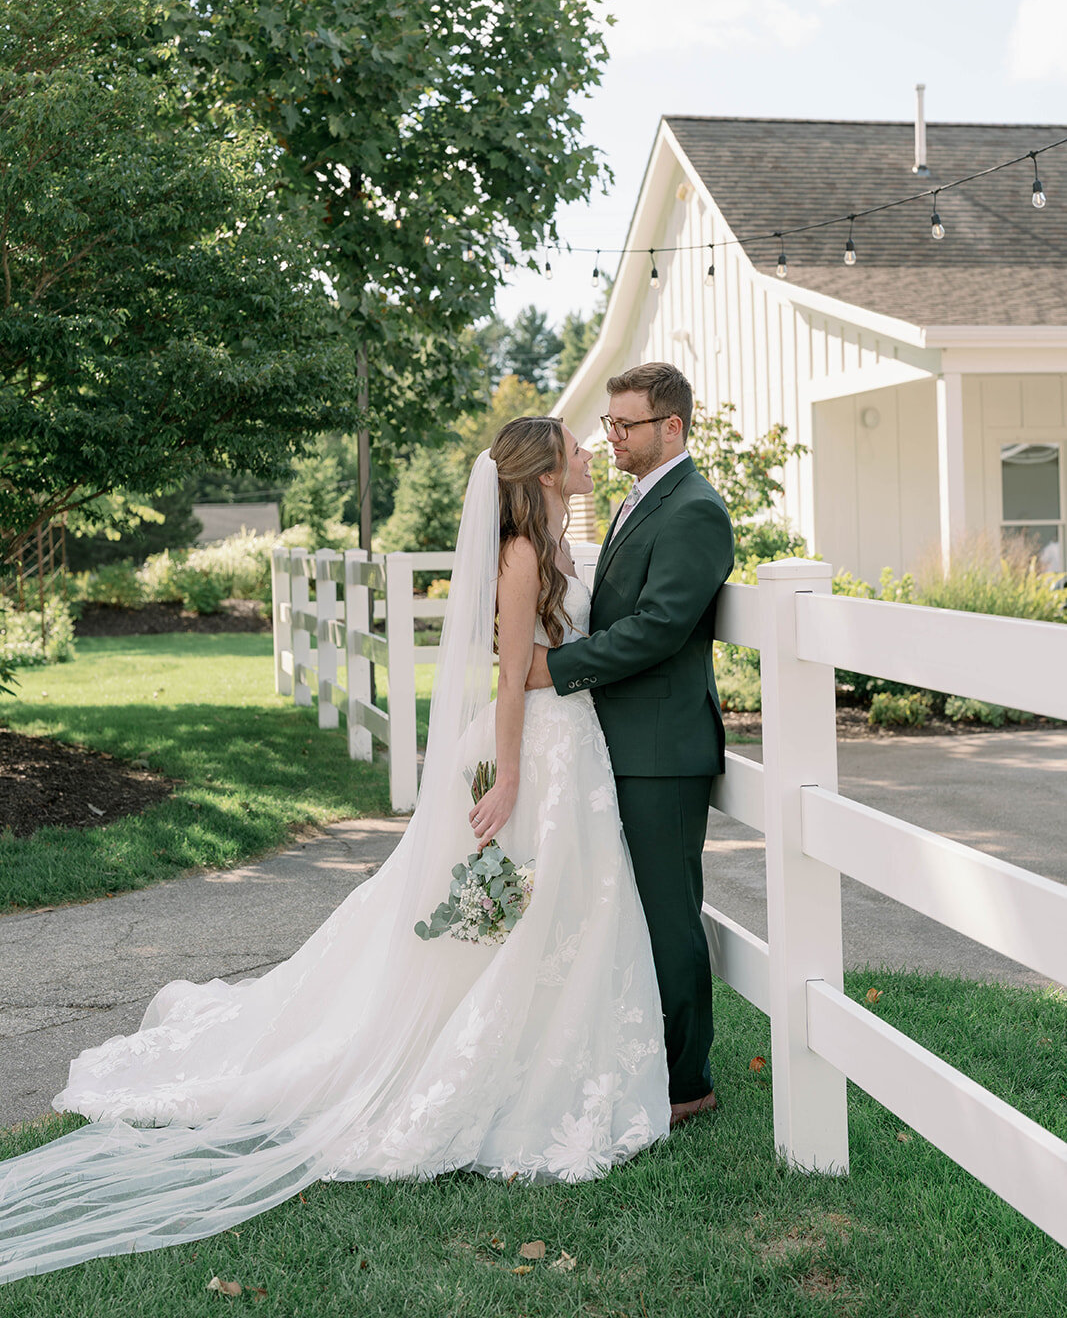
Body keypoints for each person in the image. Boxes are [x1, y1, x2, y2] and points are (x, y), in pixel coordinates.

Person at [0, 417, 669, 1287]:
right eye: (576, 449)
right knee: (511, 915)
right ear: (544, 473)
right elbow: (513, 674)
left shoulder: (558, 544)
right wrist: (506, 778)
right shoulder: (518, 556)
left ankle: (556, 1056)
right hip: (533, 751)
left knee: (569, 910)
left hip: (572, 749)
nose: (589, 454)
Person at [525, 363, 734, 1127]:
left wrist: (554, 671)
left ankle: (687, 1083)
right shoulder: (637, 498)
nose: (608, 435)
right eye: (608, 424)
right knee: (622, 909)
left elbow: (659, 628)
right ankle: (639, 1055)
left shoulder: (694, 511)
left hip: (661, 749)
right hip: (613, 740)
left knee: (666, 913)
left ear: (670, 427)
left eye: (624, 424)